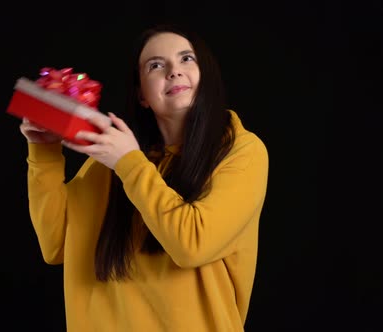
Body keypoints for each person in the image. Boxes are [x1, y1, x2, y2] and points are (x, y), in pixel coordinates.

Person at [19, 23, 269, 331]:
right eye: (156, 65)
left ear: (207, 76)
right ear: (142, 94)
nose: (174, 71)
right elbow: (55, 246)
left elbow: (192, 244)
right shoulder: (111, 160)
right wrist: (44, 152)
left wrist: (129, 164)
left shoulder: (242, 152)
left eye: (186, 59)